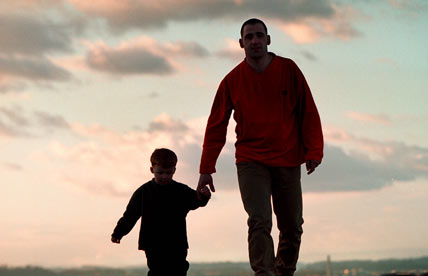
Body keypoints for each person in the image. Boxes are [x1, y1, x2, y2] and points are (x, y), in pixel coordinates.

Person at [197, 18, 324, 276]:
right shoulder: (232, 80)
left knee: (291, 225)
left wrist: (313, 150)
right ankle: (264, 274)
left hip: (288, 158)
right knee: (259, 220)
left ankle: (284, 271)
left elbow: (308, 111)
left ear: (268, 39)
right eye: (249, 37)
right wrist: (206, 168)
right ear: (241, 43)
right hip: (250, 160)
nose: (254, 41)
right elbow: (216, 125)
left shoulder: (289, 70)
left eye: (259, 35)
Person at [111, 148, 211, 276]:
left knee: (179, 270)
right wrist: (118, 232)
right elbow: (130, 215)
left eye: (168, 173)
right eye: (160, 173)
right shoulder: (143, 192)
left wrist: (204, 196)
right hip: (153, 244)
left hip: (176, 243)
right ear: (152, 170)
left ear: (174, 170)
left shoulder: (181, 191)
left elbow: (196, 201)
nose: (164, 176)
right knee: (157, 271)